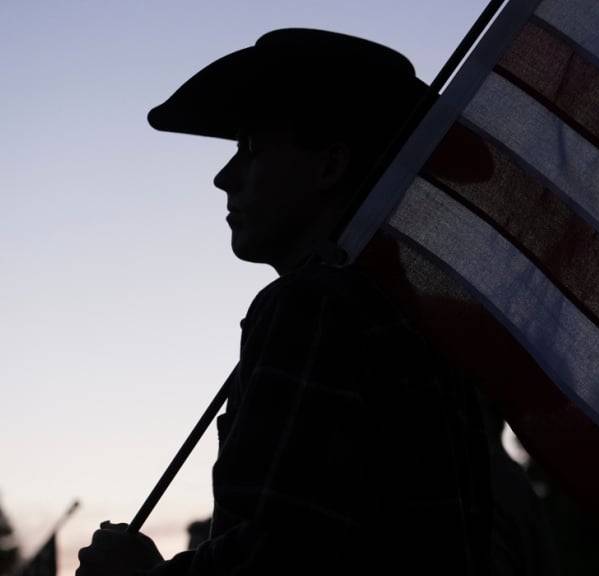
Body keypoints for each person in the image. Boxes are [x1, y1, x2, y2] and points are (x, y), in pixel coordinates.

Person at [76, 28, 492, 575]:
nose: (225, 177)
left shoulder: (315, 306)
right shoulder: (424, 324)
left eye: (251, 147)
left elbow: (279, 558)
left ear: (328, 166)